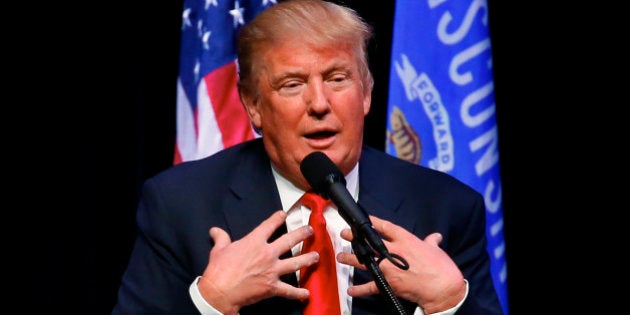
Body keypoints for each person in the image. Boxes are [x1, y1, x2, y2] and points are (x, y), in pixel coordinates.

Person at [112, 0, 503, 314]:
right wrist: (211, 302)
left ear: (366, 93)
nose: (319, 104)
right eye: (293, 84)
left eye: (337, 78)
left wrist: (448, 304)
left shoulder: (447, 207)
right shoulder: (181, 205)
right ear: (253, 106)